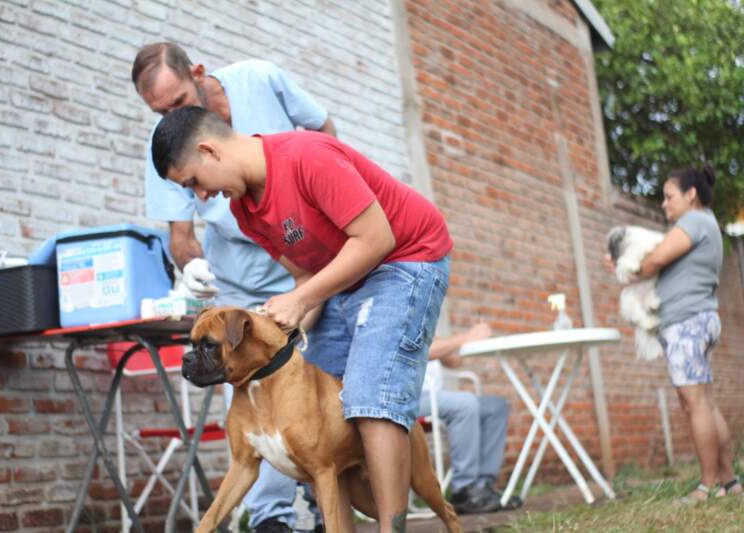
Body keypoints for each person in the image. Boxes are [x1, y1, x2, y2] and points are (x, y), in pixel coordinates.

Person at [151, 106, 453, 532]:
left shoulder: (307, 157)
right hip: (343, 278)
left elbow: (376, 238)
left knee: (367, 395)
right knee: (317, 410)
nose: (200, 197)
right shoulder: (245, 210)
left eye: (194, 183)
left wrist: (302, 298)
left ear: (209, 150)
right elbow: (305, 275)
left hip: (405, 258)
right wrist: (283, 322)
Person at [131, 42, 335, 533]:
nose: (170, 118)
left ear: (199, 73)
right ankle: (271, 520)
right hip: (242, 286)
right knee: (250, 397)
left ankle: (331, 504)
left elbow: (325, 132)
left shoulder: (261, 78)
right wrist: (193, 268)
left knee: (320, 387)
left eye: (178, 102)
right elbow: (181, 236)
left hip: (308, 263)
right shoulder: (167, 145)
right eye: (159, 112)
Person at [609, 165, 741, 503]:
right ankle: (729, 483)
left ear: (690, 194)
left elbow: (653, 261)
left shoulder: (694, 222)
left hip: (687, 323)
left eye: (669, 197)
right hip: (698, 319)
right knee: (704, 403)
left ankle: (706, 486)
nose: (664, 204)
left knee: (694, 403)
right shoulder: (705, 224)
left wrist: (625, 268)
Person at [421, 324, 521, 514]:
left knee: (495, 407)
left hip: (434, 395)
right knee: (465, 404)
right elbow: (420, 351)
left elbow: (454, 362)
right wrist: (467, 336)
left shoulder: (422, 316)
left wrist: (444, 344)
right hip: (406, 397)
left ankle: (482, 487)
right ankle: (464, 491)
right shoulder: (392, 309)